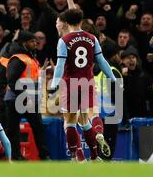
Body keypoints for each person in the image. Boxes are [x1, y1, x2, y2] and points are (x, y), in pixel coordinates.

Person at [50, 9, 116, 162]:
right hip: (87, 83)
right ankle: (94, 156)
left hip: (71, 84)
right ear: (81, 22)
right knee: (88, 119)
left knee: (71, 122)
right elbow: (102, 61)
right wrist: (112, 77)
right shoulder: (92, 38)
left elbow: (60, 65)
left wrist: (54, 83)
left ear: (66, 23)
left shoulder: (64, 40)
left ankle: (75, 157)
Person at [4, 30, 50, 161]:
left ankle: (44, 155)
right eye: (32, 41)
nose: (35, 43)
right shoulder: (18, 59)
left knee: (38, 128)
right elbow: (12, 82)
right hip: (16, 100)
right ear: (24, 43)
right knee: (13, 130)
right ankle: (17, 157)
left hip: (30, 99)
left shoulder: (30, 58)